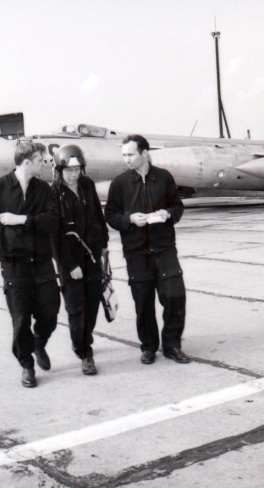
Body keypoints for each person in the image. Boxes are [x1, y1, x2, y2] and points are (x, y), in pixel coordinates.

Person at [0, 142, 60, 388]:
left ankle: (39, 342)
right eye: (41, 160)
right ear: (27, 162)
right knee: (21, 318)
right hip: (14, 264)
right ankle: (26, 365)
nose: (45, 163)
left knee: (50, 311)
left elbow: (53, 220)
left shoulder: (44, 189)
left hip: (42, 263)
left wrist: (23, 219)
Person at [105, 134, 190, 365]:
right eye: (124, 155)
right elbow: (110, 215)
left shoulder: (164, 178)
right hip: (136, 252)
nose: (127, 160)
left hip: (164, 249)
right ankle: (149, 347)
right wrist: (130, 219)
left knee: (175, 296)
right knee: (143, 303)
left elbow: (177, 206)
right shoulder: (120, 183)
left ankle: (172, 345)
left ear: (144, 153)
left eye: (131, 154)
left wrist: (167, 214)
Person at [51, 144, 109, 375]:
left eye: (77, 170)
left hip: (93, 255)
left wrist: (104, 245)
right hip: (70, 260)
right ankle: (85, 352)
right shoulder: (52, 193)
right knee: (77, 309)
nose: (74, 175)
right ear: (59, 170)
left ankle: (84, 339)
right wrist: (69, 265)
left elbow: (97, 214)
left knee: (93, 305)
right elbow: (53, 237)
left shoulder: (88, 186)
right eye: (69, 171)